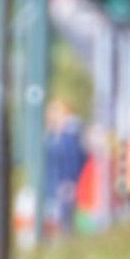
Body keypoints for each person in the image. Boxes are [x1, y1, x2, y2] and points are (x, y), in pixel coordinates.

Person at [42, 99, 86, 240]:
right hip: (52, 186)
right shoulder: (51, 135)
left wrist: (70, 182)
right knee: (52, 223)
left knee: (64, 223)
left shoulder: (68, 135)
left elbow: (73, 160)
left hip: (63, 185)